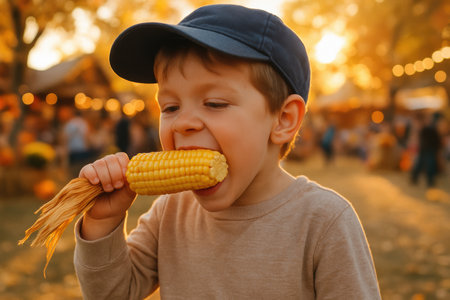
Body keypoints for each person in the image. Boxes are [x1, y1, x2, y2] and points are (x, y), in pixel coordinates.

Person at [74, 4, 381, 299]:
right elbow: (112, 293)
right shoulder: (171, 211)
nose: (183, 123)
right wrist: (103, 222)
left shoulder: (323, 222)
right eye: (170, 107)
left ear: (283, 120)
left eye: (215, 103)